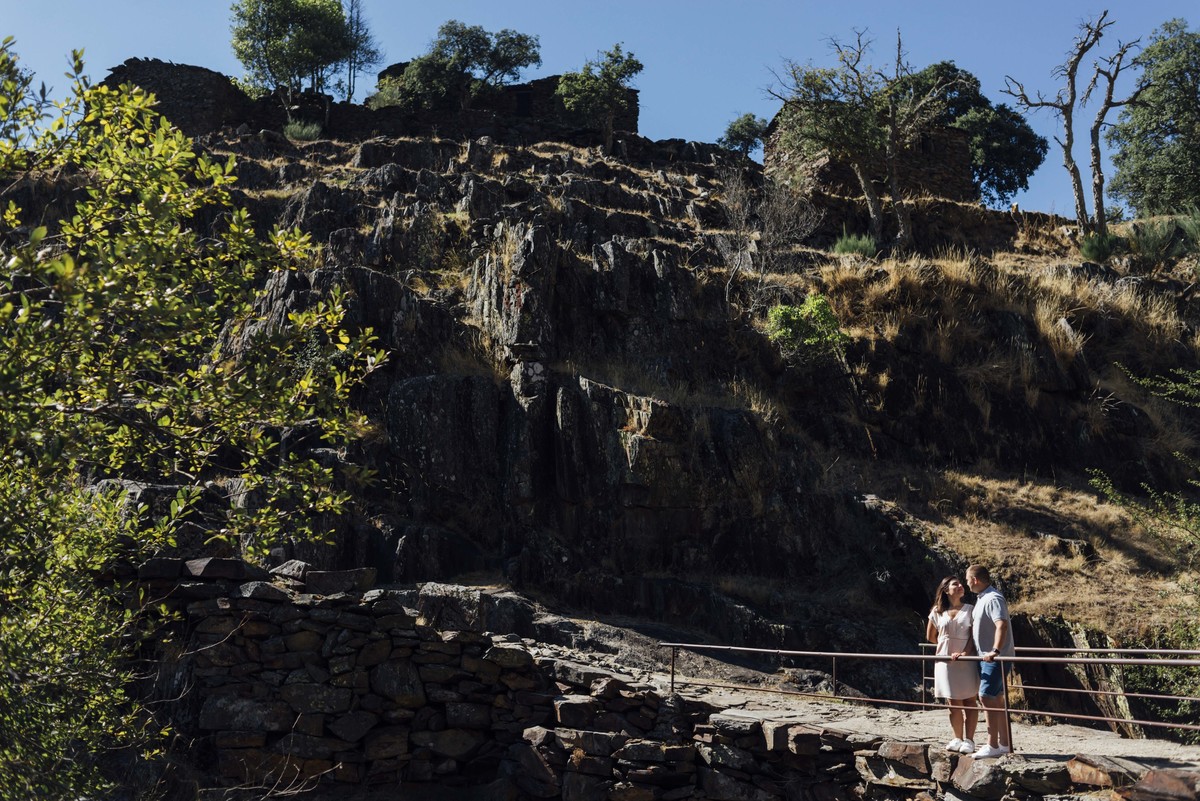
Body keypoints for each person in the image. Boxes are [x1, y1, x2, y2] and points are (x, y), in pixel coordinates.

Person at [926, 576, 979, 754]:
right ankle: (957, 738)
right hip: (945, 660)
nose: (960, 586)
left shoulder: (971, 609)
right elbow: (931, 637)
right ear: (946, 590)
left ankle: (969, 740)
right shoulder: (937, 611)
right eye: (955, 584)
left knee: (970, 700)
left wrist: (964, 652)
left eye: (961, 584)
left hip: (967, 659)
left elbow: (974, 636)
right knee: (953, 701)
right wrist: (945, 647)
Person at [967, 564, 1015, 758]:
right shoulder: (983, 598)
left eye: (968, 579)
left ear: (975, 580)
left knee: (986, 696)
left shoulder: (993, 598)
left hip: (994, 658)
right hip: (986, 657)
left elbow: (1001, 624)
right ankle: (1004, 744)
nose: (967, 582)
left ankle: (992, 745)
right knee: (996, 698)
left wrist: (995, 650)